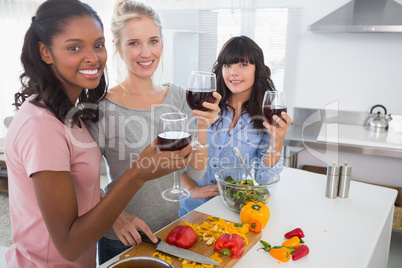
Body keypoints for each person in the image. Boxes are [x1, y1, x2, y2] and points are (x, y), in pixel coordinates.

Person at [4, 0, 192, 266]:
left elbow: (83, 189)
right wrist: (138, 174)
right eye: (74, 47)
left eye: (98, 45)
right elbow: (68, 245)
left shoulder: (71, 114)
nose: (92, 57)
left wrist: (117, 213)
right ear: (46, 53)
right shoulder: (40, 127)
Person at [85, 0, 221, 264]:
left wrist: (202, 127)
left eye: (153, 41)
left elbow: (193, 172)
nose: (146, 52)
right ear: (117, 47)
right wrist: (117, 216)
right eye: (134, 42)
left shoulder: (180, 96)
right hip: (122, 236)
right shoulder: (101, 108)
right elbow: (83, 184)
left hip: (171, 229)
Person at [180, 35, 292, 217]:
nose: (233, 72)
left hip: (232, 212)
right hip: (192, 211)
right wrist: (192, 189)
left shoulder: (263, 118)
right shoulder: (205, 106)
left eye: (243, 65)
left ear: (258, 69)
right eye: (227, 65)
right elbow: (179, 163)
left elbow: (264, 180)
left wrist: (278, 141)